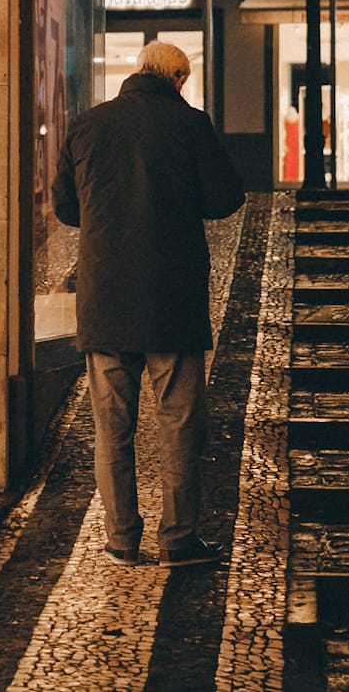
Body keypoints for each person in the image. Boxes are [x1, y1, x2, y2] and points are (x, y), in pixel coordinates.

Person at [52, 40, 245, 567]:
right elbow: (226, 197)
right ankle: (177, 539)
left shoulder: (87, 125)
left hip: (105, 298)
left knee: (112, 427)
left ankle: (121, 537)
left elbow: (66, 206)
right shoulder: (190, 124)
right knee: (180, 423)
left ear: (138, 71)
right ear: (177, 79)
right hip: (172, 299)